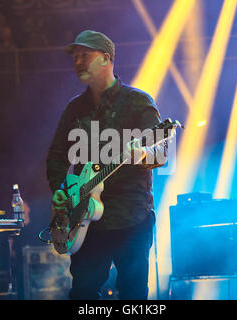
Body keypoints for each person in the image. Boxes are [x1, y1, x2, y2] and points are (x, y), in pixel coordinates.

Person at [46, 30, 167, 300]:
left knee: (133, 295)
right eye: (75, 57)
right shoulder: (74, 109)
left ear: (106, 59)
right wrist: (60, 189)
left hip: (131, 218)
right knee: (82, 293)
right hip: (84, 218)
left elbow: (160, 150)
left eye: (85, 55)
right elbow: (56, 155)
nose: (77, 62)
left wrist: (143, 155)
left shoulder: (138, 102)